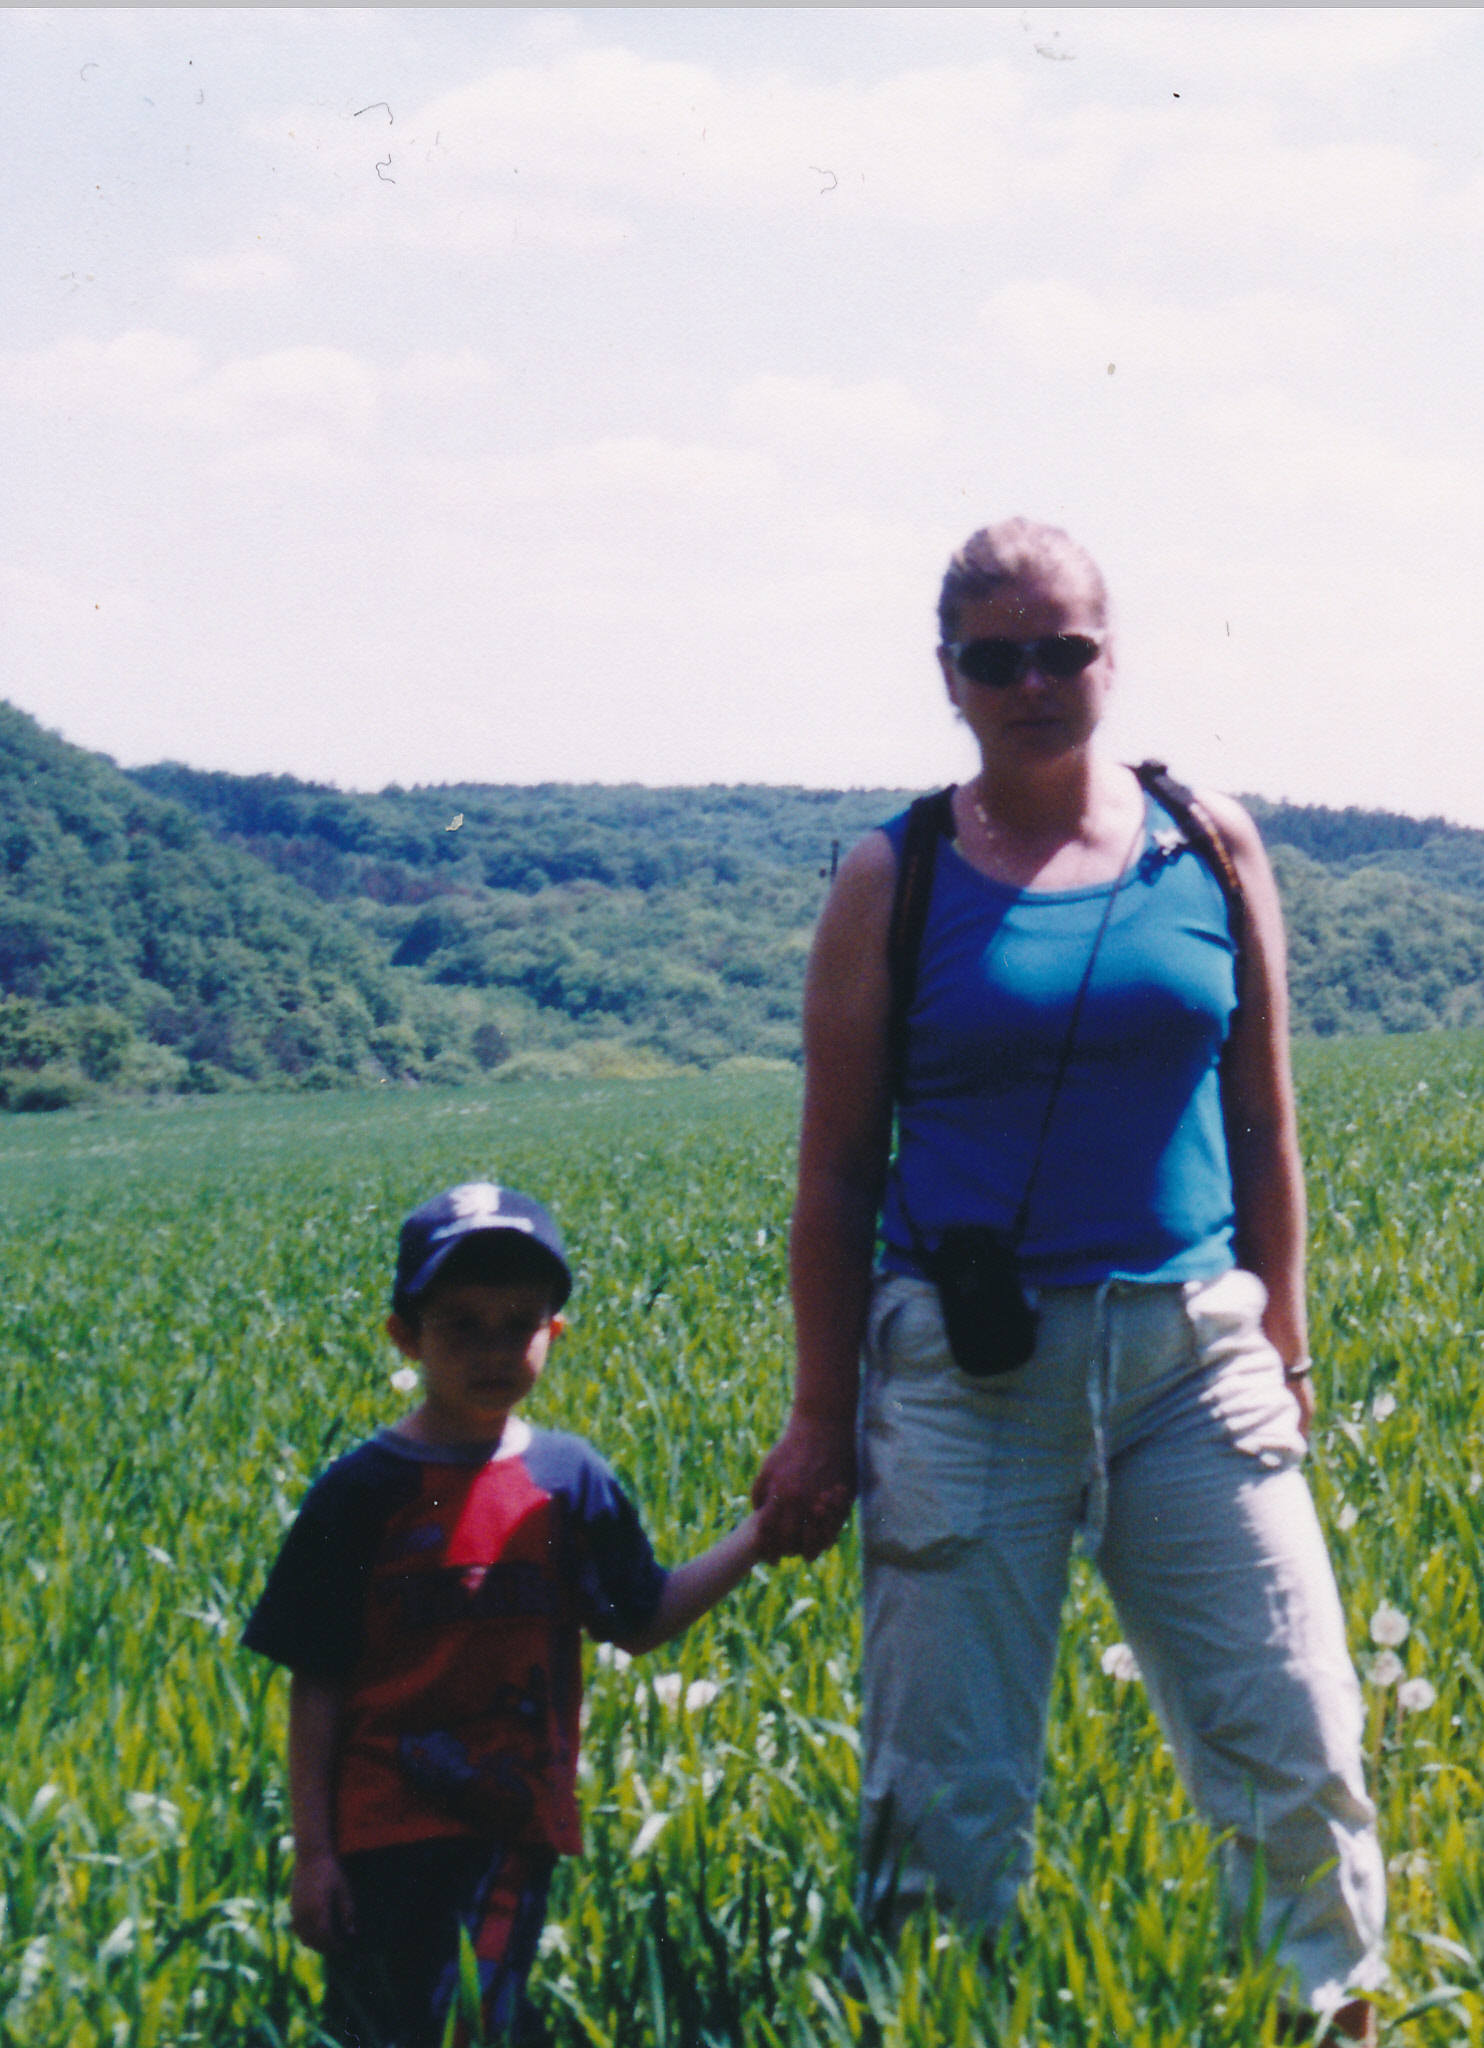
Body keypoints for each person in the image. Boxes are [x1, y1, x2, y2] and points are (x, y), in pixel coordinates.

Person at [749, 518, 1386, 2037]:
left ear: (1110, 657)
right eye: (996, 658)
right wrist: (821, 1415)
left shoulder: (1209, 843)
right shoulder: (892, 876)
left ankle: (1328, 2018)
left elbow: (1263, 1117)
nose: (1033, 681)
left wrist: (1286, 1340)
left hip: (1193, 1364)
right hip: (965, 1380)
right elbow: (836, 1175)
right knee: (944, 1795)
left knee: (1296, 1737)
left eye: (1065, 649)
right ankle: (942, 2019)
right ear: (949, 677)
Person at [244, 1183, 770, 2048]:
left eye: (518, 1324)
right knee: (394, 2027)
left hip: (514, 1824)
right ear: (405, 1336)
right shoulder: (360, 1493)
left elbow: (639, 1620)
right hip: (383, 1832)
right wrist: (315, 1853)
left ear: (553, 1333)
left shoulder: (569, 1480)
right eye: (461, 1326)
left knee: (477, 2021)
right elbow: (317, 1682)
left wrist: (757, 1538)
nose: (493, 1350)